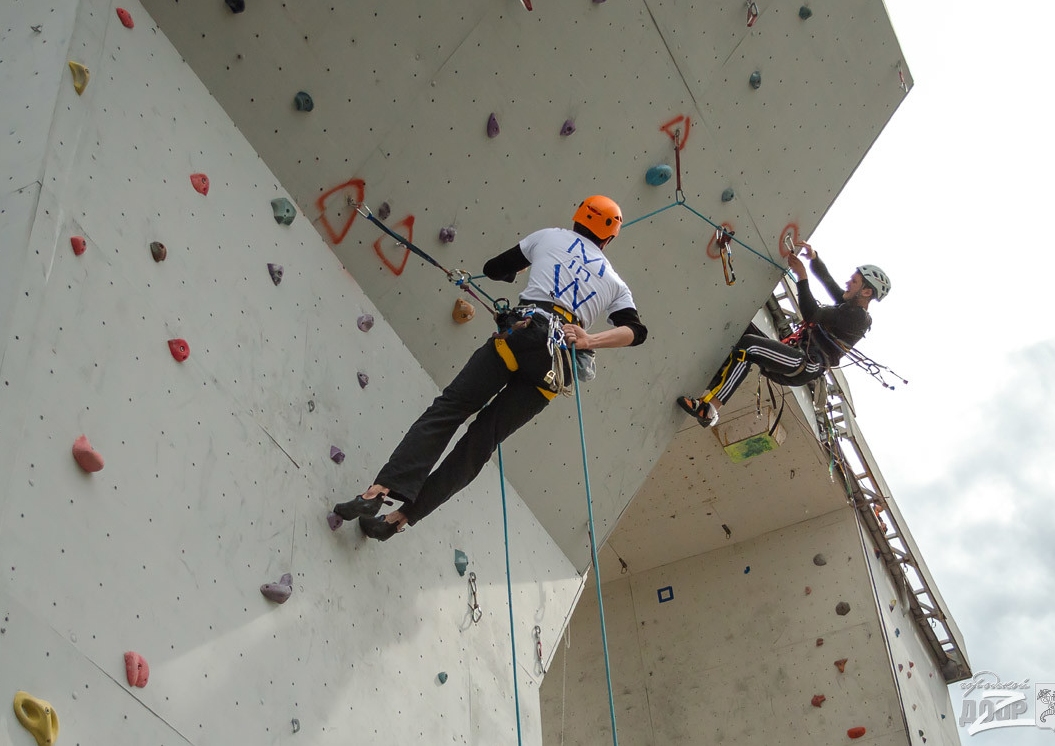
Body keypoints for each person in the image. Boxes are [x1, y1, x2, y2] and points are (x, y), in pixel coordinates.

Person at [332, 195, 648, 540]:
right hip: (556, 366)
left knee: (450, 409)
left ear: (576, 219)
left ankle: (380, 491)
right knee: (480, 444)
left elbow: (496, 267)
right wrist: (589, 341)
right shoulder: (616, 283)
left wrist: (526, 268)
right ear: (610, 238)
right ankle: (399, 520)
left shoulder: (550, 237)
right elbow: (636, 332)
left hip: (524, 335)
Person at [677, 241, 890, 426]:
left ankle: (710, 410)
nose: (847, 283)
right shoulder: (850, 307)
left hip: (805, 363)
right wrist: (814, 258)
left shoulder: (858, 318)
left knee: (750, 345)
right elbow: (829, 282)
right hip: (795, 355)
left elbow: (812, 313)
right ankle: (711, 386)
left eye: (854, 282)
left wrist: (802, 276)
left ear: (867, 291)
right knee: (744, 332)